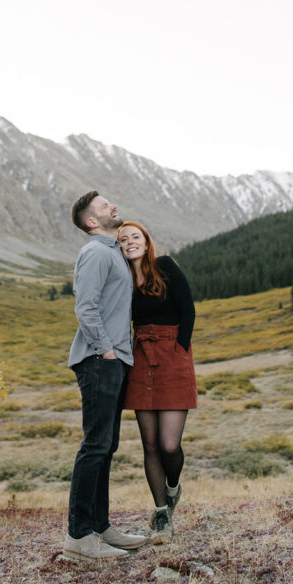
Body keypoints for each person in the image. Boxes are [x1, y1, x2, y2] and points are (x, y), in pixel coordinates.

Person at [63, 191, 150, 563]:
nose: (113, 206)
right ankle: (79, 537)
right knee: (95, 445)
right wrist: (106, 349)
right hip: (101, 359)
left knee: (106, 446)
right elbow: (85, 305)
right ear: (91, 222)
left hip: (113, 359)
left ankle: (100, 527)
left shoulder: (113, 252)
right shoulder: (97, 252)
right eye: (104, 206)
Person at [117, 221, 197, 543]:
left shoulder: (163, 266)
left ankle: (173, 487)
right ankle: (162, 513)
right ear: (119, 247)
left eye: (136, 237)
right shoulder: (121, 278)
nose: (130, 242)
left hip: (172, 355)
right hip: (141, 357)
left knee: (169, 445)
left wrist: (180, 350)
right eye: (123, 239)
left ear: (147, 243)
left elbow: (188, 309)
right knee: (149, 444)